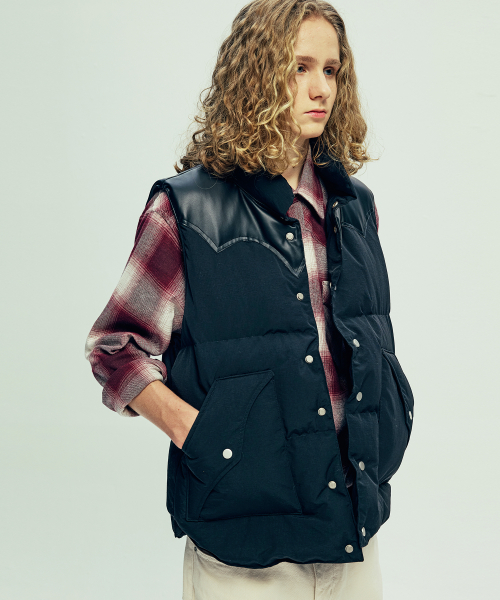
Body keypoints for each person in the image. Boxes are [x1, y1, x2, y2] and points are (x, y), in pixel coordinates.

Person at [85, 1, 415, 598]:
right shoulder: (186, 210)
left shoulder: (353, 204)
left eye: (331, 70)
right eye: (299, 68)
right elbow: (116, 348)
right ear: (257, 74)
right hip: (244, 539)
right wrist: (200, 434)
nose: (321, 88)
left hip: (353, 526)